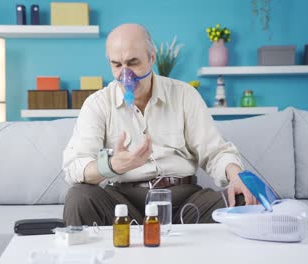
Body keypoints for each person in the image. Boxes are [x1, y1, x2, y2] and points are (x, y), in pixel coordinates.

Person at [63, 23, 257, 226]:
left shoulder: (184, 95)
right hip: (124, 205)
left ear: (151, 57)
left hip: (184, 202)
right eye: (117, 65)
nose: (125, 74)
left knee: (243, 201)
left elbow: (215, 152)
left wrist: (236, 175)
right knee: (79, 197)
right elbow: (75, 167)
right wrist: (112, 165)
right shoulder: (98, 104)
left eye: (133, 62)